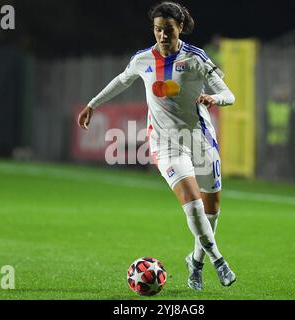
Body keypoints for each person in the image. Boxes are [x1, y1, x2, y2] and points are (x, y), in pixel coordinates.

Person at [77, 1, 236, 290]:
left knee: (212, 212)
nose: (163, 36)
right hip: (165, 146)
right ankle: (218, 260)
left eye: (169, 31)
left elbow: (229, 94)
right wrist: (92, 105)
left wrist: (216, 99)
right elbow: (121, 81)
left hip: (200, 141)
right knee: (194, 207)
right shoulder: (142, 59)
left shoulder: (196, 59)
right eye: (157, 30)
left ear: (180, 30)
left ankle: (196, 262)